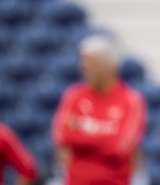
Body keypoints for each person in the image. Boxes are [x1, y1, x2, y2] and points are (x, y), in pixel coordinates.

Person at [52, 34, 146, 185]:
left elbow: (119, 146)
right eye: (83, 61)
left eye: (90, 62)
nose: (83, 67)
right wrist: (103, 138)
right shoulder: (74, 96)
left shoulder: (131, 100)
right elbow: (61, 136)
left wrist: (80, 137)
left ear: (109, 66)